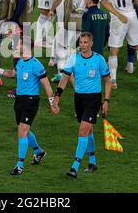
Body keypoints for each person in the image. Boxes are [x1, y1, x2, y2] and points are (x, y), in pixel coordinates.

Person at [0, 37, 59, 175]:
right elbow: (12, 74)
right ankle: (38, 152)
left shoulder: (36, 65)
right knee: (24, 130)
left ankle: (19, 165)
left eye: (19, 44)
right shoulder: (19, 62)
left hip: (31, 101)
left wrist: (52, 103)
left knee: (22, 132)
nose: (16, 46)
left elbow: (47, 85)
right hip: (19, 101)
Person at [52, 32, 112, 178]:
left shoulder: (99, 60)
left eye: (85, 42)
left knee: (82, 131)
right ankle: (92, 162)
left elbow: (108, 81)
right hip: (79, 99)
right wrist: (57, 95)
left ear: (91, 44)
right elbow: (65, 78)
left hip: (93, 99)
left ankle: (75, 166)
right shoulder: (74, 59)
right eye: (81, 42)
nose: (83, 45)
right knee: (88, 130)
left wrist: (106, 101)